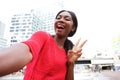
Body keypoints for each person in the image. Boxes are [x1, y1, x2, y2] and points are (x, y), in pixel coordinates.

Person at [0, 10, 87, 80]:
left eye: (67, 19)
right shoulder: (43, 37)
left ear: (73, 27)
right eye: (58, 18)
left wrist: (71, 64)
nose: (61, 20)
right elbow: (26, 50)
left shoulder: (69, 53)